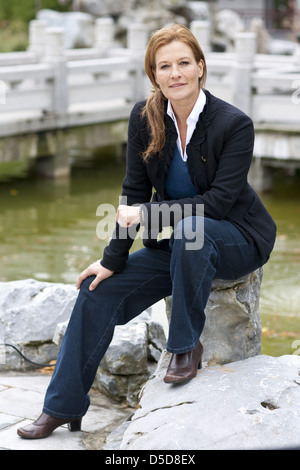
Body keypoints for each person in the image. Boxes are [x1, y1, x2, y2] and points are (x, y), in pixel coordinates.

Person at [17, 24, 276, 439]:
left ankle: (184, 345)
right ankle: (63, 407)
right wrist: (111, 259)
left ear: (201, 68)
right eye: (165, 66)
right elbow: (132, 193)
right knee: (94, 292)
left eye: (184, 64)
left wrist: (149, 214)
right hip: (179, 243)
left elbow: (220, 203)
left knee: (195, 229)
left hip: (236, 237)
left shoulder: (234, 123)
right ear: (154, 74)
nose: (175, 74)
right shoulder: (144, 117)